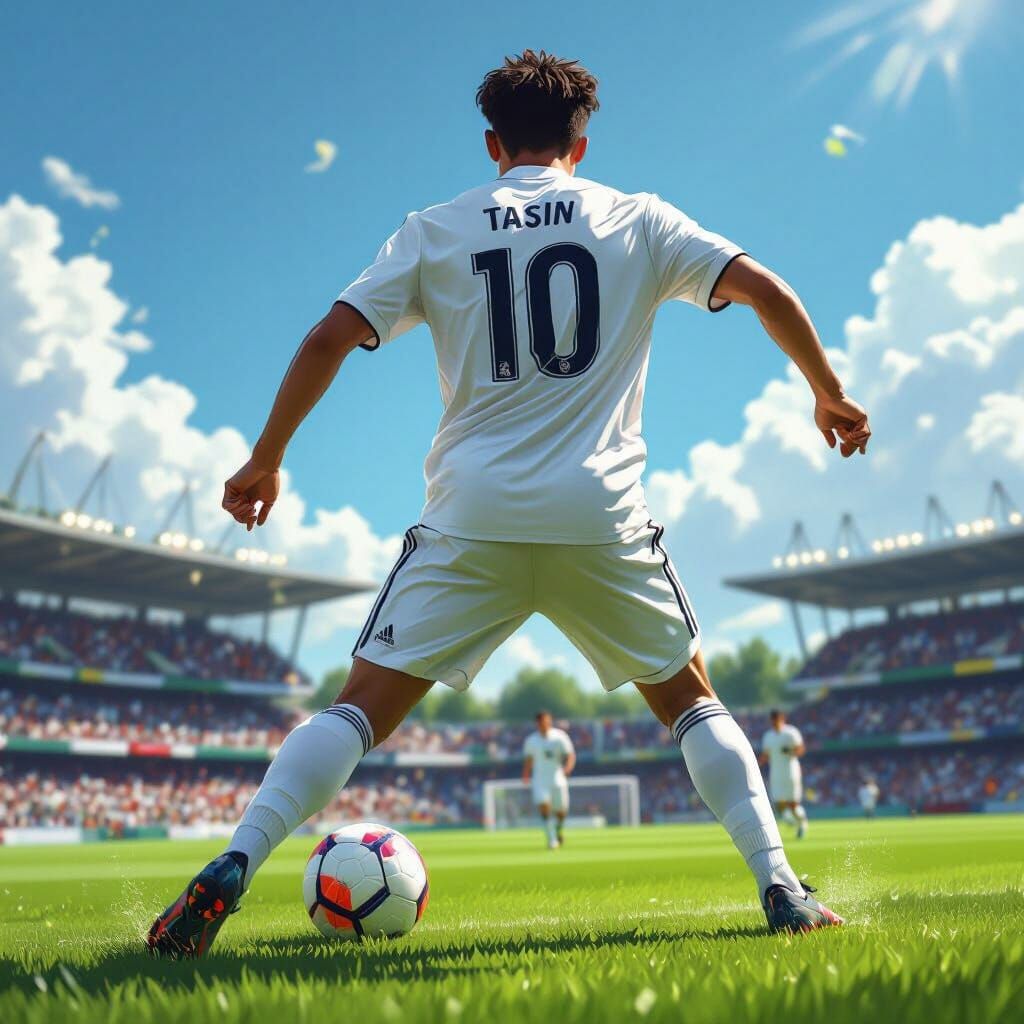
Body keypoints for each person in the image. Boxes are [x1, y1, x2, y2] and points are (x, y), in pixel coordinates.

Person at [149, 48, 867, 957]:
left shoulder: (437, 227)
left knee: (358, 707)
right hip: (599, 517)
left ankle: (234, 864)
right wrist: (826, 390)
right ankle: (780, 884)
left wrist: (265, 459)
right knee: (691, 703)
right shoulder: (638, 218)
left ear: (494, 143)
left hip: (471, 515)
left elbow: (331, 333)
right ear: (582, 138)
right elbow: (763, 287)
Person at [522, 710, 576, 848]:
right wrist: (526, 775)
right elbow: (528, 760)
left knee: (561, 811)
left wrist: (568, 768)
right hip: (540, 779)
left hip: (557, 778)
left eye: (548, 721)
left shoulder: (560, 736)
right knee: (544, 806)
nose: (545, 724)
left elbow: (570, 754)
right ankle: (551, 838)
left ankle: (558, 829)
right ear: (538, 723)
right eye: (542, 721)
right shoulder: (531, 740)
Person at [759, 710, 809, 838]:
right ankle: (793, 821)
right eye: (773, 719)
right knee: (778, 802)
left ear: (782, 718)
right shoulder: (768, 736)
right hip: (776, 773)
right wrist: (756, 766)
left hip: (791, 771)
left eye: (777, 719)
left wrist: (791, 751)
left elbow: (801, 749)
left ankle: (802, 824)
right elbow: (765, 755)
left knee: (792, 803)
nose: (775, 722)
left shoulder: (791, 732)